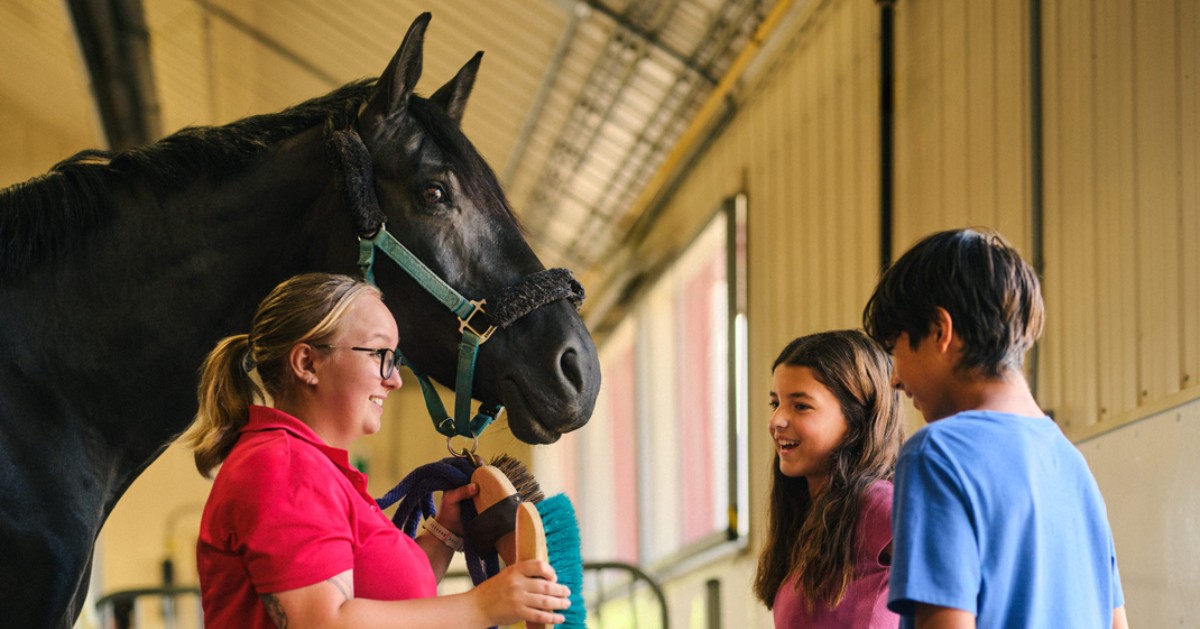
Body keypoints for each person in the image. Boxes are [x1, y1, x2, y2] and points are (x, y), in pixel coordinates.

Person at [184, 273, 570, 629]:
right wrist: (483, 605)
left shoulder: (313, 468)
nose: (396, 380)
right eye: (379, 354)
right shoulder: (285, 466)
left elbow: (388, 601)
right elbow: (325, 623)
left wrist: (444, 533)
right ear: (307, 363)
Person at [862, 227, 1128, 629]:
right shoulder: (1074, 468)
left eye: (896, 351)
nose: (895, 380)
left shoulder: (938, 454)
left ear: (939, 331)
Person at [754, 330, 904, 627]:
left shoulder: (876, 504)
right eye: (775, 404)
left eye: (800, 406)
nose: (776, 421)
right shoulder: (812, 517)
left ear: (856, 418)